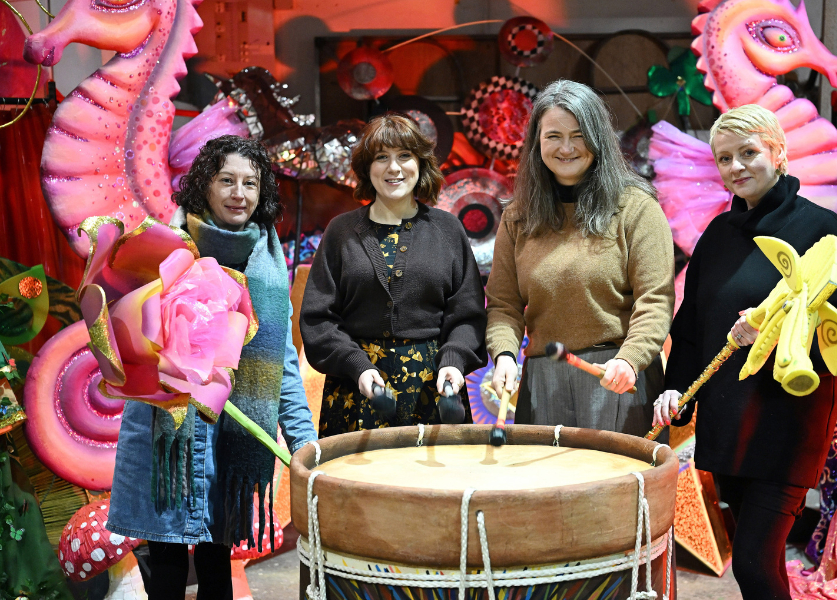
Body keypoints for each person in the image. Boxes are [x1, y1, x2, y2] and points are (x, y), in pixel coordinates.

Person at [653, 104, 837, 600]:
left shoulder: (819, 228)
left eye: (748, 153)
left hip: (787, 425)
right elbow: (691, 329)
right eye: (725, 158)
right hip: (730, 427)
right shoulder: (716, 235)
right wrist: (675, 391)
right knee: (764, 565)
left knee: (753, 564)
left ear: (778, 153)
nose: (736, 167)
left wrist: (777, 338)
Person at [107, 135, 317, 600]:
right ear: (204, 186)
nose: (238, 193)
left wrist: (304, 441)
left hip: (230, 433)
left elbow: (280, 365)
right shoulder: (162, 247)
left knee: (216, 564)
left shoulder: (267, 267)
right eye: (226, 181)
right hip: (166, 431)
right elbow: (126, 339)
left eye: (250, 183)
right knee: (163, 565)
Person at [486, 79, 674, 435]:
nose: (567, 147)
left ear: (599, 138)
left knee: (619, 490)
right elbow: (503, 305)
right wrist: (506, 355)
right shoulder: (518, 217)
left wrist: (631, 360)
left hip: (617, 375)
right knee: (547, 491)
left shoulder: (636, 209)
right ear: (536, 143)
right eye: (553, 136)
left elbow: (656, 301)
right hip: (542, 381)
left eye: (579, 134)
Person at [300, 113, 487, 436]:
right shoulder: (341, 231)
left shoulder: (447, 229)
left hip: (434, 390)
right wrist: (355, 366)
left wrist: (454, 361)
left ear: (420, 163)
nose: (394, 168)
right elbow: (318, 319)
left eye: (404, 156)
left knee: (433, 488)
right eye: (381, 158)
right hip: (357, 389)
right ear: (366, 169)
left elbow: (467, 315)